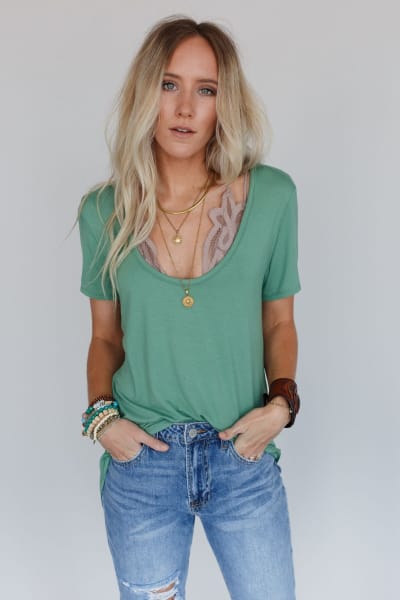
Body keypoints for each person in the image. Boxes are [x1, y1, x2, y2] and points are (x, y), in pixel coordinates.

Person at [77, 14, 301, 600]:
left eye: (206, 90)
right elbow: (105, 338)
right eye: (169, 84)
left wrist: (281, 406)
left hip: (241, 457)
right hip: (142, 467)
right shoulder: (104, 212)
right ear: (145, 93)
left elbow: (279, 321)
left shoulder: (273, 196)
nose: (184, 107)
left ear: (225, 104)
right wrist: (102, 421)